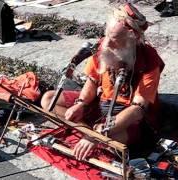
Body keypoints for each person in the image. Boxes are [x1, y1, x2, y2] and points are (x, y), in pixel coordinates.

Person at [41, 3, 165, 161]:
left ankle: (92, 137)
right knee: (48, 99)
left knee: (116, 138)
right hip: (101, 105)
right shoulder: (104, 46)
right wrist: (81, 104)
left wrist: (100, 134)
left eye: (114, 39)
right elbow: (92, 81)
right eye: (107, 35)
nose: (106, 43)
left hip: (127, 116)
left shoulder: (149, 60)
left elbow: (137, 110)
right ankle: (89, 134)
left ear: (133, 38)